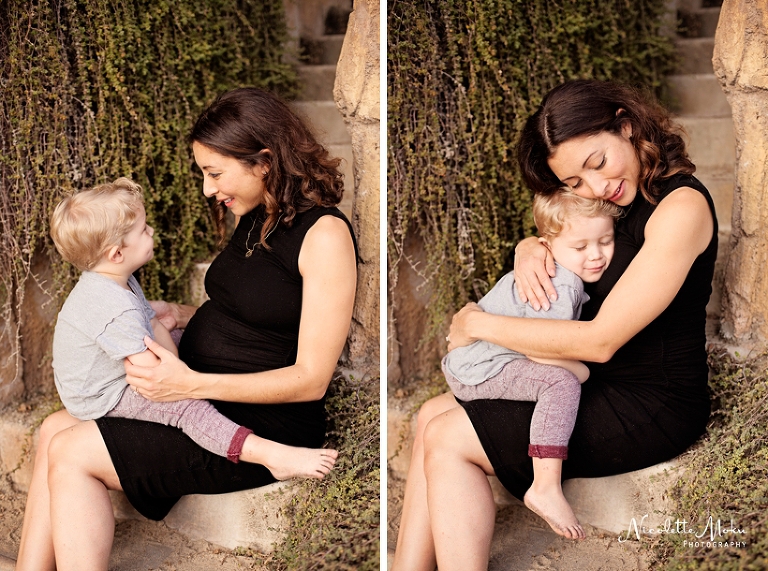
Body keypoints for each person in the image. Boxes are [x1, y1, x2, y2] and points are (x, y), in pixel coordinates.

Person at [16, 87, 357, 571]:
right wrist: (176, 315)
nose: (206, 189)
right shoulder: (256, 214)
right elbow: (247, 312)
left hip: (259, 421)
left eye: (214, 173)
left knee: (70, 450)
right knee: (53, 428)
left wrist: (191, 382)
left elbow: (311, 379)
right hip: (199, 394)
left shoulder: (324, 236)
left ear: (262, 161)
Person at [391, 79, 717, 571]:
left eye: (598, 163)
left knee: (447, 438)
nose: (595, 187)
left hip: (652, 402)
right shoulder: (617, 202)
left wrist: (480, 324)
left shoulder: (681, 207)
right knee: (427, 417)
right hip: (595, 382)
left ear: (626, 126)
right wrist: (533, 245)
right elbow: (576, 234)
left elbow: (602, 340)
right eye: (575, 183)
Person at [49, 177, 337, 478]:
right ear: (117, 254)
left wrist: (180, 345)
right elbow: (157, 373)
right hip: (105, 395)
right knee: (185, 408)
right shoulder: (112, 309)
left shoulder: (116, 281)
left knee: (176, 340)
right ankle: (268, 454)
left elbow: (151, 322)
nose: (151, 232)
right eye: (143, 231)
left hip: (110, 372)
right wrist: (183, 373)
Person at [442, 191, 621, 539]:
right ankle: (545, 485)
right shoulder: (561, 283)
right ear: (548, 246)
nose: (596, 255)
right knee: (561, 383)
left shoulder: (559, 269)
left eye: (605, 241)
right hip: (481, 366)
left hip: (477, 360)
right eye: (581, 247)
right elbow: (542, 351)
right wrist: (583, 370)